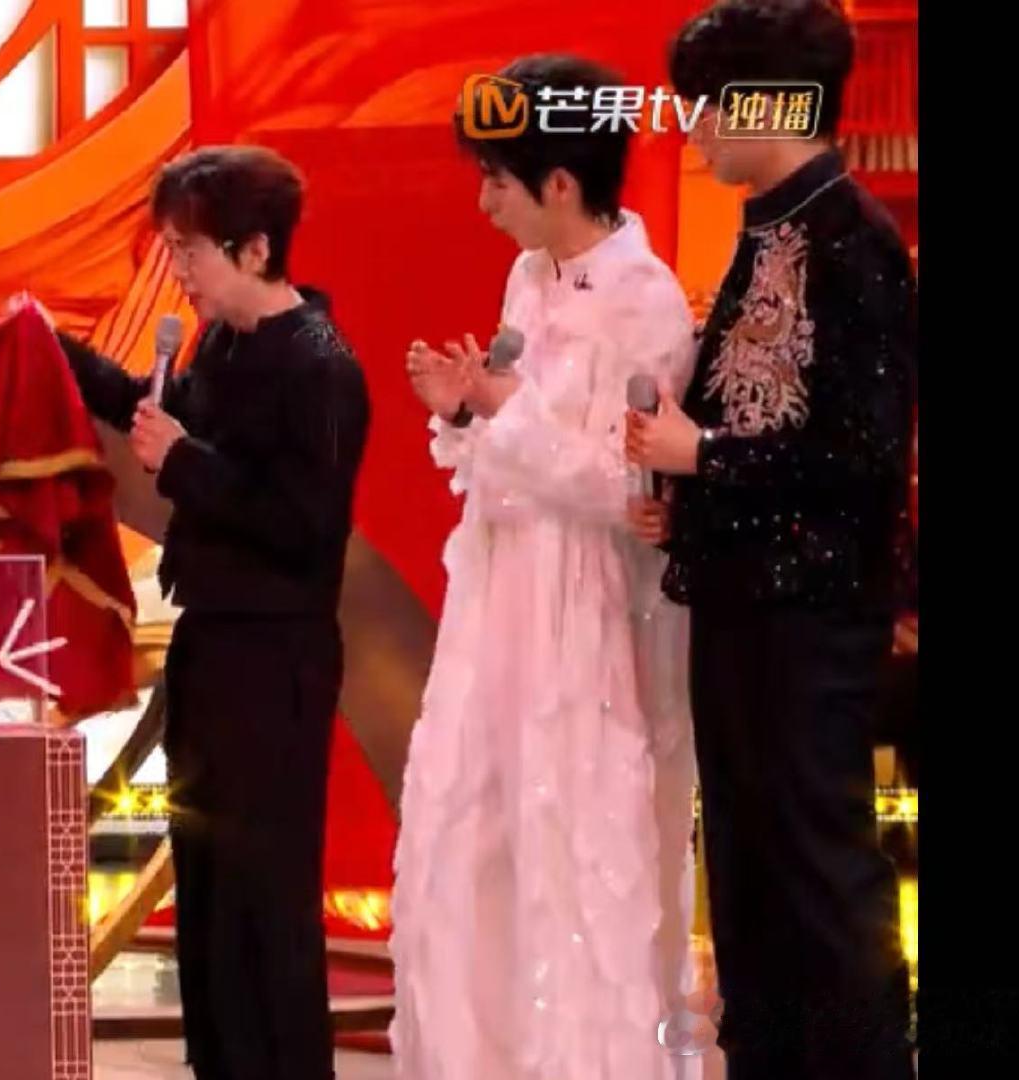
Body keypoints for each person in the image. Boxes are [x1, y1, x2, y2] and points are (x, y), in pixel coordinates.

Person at [386, 53, 705, 1080]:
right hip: (499, 593)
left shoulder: (645, 302)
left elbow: (629, 489)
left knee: (573, 847)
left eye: (496, 180)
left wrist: (500, 411)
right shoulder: (529, 276)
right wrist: (464, 408)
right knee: (474, 835)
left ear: (559, 182)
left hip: (589, 611)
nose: (483, 203)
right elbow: (509, 434)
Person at [27, 144, 369, 1079]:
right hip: (210, 640)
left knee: (267, 902)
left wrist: (184, 462)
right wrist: (57, 351)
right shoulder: (221, 343)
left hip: (277, 656)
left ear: (255, 249)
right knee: (210, 894)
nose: (177, 268)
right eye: (171, 248)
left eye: (190, 250)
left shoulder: (321, 365)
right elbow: (154, 412)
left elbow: (305, 526)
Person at [626, 3, 918, 1076]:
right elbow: (754, 417)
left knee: (816, 881)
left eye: (708, 102)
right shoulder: (767, 229)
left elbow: (861, 453)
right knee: (748, 879)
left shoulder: (851, 240)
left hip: (812, 614)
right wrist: (686, 495)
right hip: (741, 602)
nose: (694, 125)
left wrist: (703, 457)